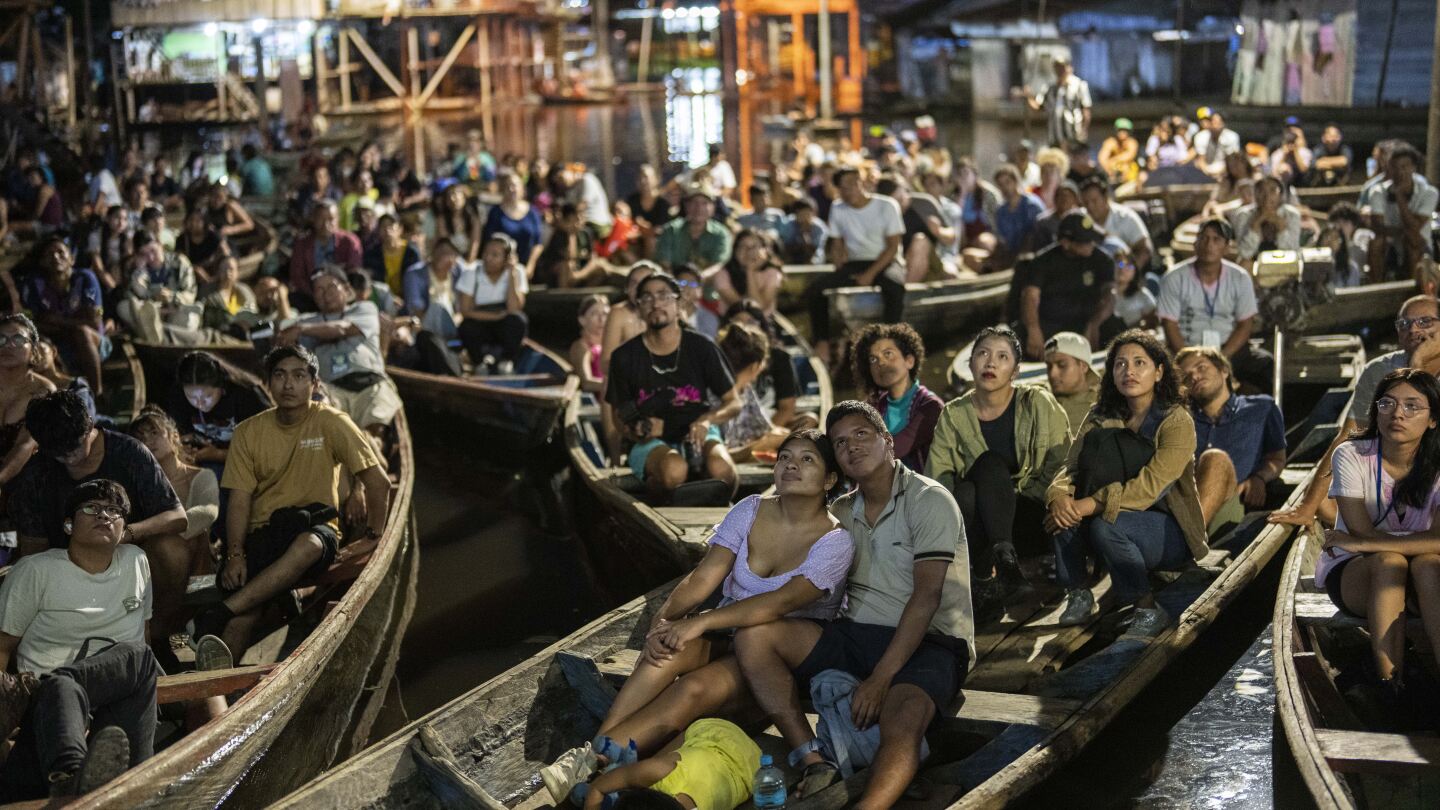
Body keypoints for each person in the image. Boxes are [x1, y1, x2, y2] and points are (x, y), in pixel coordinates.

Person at [538, 428, 850, 802]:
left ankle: (603, 761)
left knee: (693, 688)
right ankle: (593, 756)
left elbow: (779, 604)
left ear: (830, 479)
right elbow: (704, 576)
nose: (790, 465)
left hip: (777, 656)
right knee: (666, 648)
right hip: (727, 633)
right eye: (784, 457)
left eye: (807, 459)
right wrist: (665, 620)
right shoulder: (750, 509)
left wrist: (698, 622)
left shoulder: (836, 541)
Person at [732, 401, 972, 806]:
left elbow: (926, 597)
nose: (851, 447)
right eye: (840, 442)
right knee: (755, 636)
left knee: (904, 719)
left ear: (888, 441)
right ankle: (812, 759)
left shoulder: (929, 500)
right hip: (854, 636)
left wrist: (879, 680)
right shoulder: (840, 512)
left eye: (861, 434)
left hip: (929, 643)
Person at [192, 345, 390, 662]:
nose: (288, 385)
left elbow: (379, 483)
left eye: (299, 376)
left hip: (317, 528)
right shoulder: (248, 432)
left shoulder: (331, 422)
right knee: (246, 611)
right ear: (268, 383)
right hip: (265, 532)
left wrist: (373, 538)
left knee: (309, 543)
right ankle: (212, 690)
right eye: (280, 376)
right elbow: (239, 501)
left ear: (313, 384)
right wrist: (235, 555)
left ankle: (218, 611)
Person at [0, 480, 161, 801]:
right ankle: (72, 778)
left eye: (114, 511)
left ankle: (80, 781)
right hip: (49, 702)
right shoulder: (36, 571)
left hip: (120, 696)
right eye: (92, 508)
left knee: (141, 657)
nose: (104, 516)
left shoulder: (136, 562)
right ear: (68, 524)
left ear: (125, 526)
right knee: (60, 686)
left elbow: (142, 636)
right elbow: (2, 647)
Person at [1047, 330, 1208, 634]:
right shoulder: (1100, 415)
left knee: (1102, 523)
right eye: (1120, 364)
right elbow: (1071, 466)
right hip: (1109, 515)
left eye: (1139, 363)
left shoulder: (1175, 420)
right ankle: (1078, 592)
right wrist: (1059, 496)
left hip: (1166, 528)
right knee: (1064, 510)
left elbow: (1151, 486)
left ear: (1159, 372)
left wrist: (1088, 504)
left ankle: (1146, 608)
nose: (1129, 371)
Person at [7, 391, 190, 658]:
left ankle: (159, 635)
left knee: (172, 549)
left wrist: (125, 534)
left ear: (89, 425)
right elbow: (33, 549)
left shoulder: (129, 452)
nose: (70, 458)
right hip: (67, 565)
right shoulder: (37, 474)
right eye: (60, 453)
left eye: (75, 447)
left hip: (127, 560)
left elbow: (177, 517)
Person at [1314, 369, 1440, 706]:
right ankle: (1389, 685)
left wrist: (1368, 542)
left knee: (1428, 564)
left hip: (1421, 577)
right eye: (1388, 404)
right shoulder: (1352, 454)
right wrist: (1367, 544)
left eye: (1413, 406)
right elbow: (1359, 532)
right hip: (1357, 573)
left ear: (1433, 420)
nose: (1398, 414)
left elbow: (1437, 541)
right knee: (1389, 561)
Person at [928, 325, 1070, 615]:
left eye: (1002, 357)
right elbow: (938, 478)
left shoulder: (1038, 403)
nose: (990, 363)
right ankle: (999, 571)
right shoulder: (953, 414)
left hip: (1034, 514)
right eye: (982, 354)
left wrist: (1007, 496)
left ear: (1015, 371)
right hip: (977, 525)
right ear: (970, 364)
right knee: (968, 487)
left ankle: (990, 573)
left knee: (989, 471)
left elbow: (1063, 464)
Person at [1272, 295, 1440, 529]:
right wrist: (1307, 508)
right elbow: (1348, 437)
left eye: (1425, 321)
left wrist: (1418, 363)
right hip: (1390, 474)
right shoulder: (1379, 370)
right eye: (1404, 324)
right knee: (1324, 503)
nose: (1413, 329)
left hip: (1432, 475)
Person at [605, 272, 741, 497]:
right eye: (647, 298)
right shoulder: (624, 357)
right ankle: (656, 496)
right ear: (639, 308)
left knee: (722, 470)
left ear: (678, 304)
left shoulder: (701, 347)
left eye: (663, 296)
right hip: (651, 442)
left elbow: (734, 402)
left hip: (697, 433)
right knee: (674, 470)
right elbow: (617, 416)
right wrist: (637, 430)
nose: (656, 303)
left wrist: (707, 420)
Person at [279, 267, 401, 436]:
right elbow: (283, 332)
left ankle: (373, 445)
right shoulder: (305, 320)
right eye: (319, 290)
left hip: (370, 385)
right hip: (331, 387)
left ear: (346, 288)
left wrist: (302, 330)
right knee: (317, 406)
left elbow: (342, 328)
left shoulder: (364, 309)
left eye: (331, 287)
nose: (325, 294)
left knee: (377, 423)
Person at [1176, 346, 1285, 534]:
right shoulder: (1180, 420)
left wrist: (1259, 477)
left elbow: (1277, 458)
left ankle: (1186, 540)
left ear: (1224, 370)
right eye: (1187, 377)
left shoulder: (1261, 408)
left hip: (1228, 506)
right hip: (1180, 504)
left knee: (1215, 460)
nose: (1194, 376)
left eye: (1201, 367)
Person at [1157, 218, 1272, 392]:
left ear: (1226, 247)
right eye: (1203, 238)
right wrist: (1191, 359)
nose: (1209, 244)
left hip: (1228, 349)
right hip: (1186, 349)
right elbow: (1169, 325)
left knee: (1265, 364)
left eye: (1216, 239)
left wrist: (1222, 357)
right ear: (1195, 244)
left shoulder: (1240, 278)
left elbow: (1245, 324)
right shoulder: (1173, 278)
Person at [806, 167, 905, 362]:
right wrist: (839, 268)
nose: (849, 190)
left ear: (862, 182)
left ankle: (892, 341)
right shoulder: (838, 208)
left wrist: (870, 274)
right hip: (855, 262)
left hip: (886, 261)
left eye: (853, 183)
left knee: (894, 287)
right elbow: (836, 243)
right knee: (815, 289)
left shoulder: (887, 205)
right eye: (843, 187)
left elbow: (893, 247)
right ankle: (822, 342)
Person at [1017, 211, 1116, 359]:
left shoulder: (1102, 260)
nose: (1091, 245)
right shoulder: (1042, 262)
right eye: (1084, 241)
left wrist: (1095, 323)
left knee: (1116, 326)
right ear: (1065, 242)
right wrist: (1033, 329)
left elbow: (1110, 294)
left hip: (1088, 322)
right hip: (1051, 324)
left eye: (1091, 239)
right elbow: (1030, 296)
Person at [0, 315, 57, 566]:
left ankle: (21, 560)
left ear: (33, 350)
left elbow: (26, 444)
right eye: (1, 339)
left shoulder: (43, 390)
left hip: (24, 474)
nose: (7, 345)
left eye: (17, 339)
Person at [851, 323, 943, 473]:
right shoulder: (871, 406)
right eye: (873, 359)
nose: (881, 363)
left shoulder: (931, 406)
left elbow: (896, 450)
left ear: (909, 361)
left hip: (920, 489)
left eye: (888, 354)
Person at [23, 238, 107, 395]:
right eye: (50, 254)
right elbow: (33, 324)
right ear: (42, 262)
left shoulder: (86, 278)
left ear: (72, 259)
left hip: (95, 342)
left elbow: (94, 324)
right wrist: (67, 324)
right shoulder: (35, 285)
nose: (55, 257)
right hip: (57, 341)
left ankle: (97, 393)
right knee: (38, 344)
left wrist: (56, 321)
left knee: (82, 332)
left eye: (61, 252)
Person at [129, 407, 218, 550]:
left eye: (154, 433)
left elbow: (207, 512)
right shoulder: (138, 483)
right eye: (141, 438)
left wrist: (149, 530)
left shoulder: (201, 476)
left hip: (193, 558)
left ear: (175, 436)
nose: (148, 441)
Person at [723, 300, 815, 431]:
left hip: (771, 420)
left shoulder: (778, 357)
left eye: (751, 322)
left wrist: (769, 433)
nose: (744, 326)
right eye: (737, 321)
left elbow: (787, 407)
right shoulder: (720, 355)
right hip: (733, 421)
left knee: (808, 419)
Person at [1362, 144, 1438, 282]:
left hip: (1419, 246)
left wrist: (1400, 197)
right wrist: (1401, 233)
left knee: (1413, 241)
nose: (1399, 172)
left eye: (1404, 166)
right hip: (1390, 243)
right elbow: (1377, 226)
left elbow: (1415, 227)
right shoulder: (1377, 191)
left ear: (1413, 168)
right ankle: (1377, 289)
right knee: (1376, 242)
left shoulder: (1429, 193)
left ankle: (1416, 288)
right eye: (1395, 167)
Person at [456, 234, 530, 374]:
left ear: (506, 258)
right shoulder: (471, 273)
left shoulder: (517, 271)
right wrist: (495, 317)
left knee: (518, 321)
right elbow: (465, 311)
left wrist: (511, 274)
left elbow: (514, 308)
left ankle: (506, 361)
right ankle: (478, 363)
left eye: (495, 255)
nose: (488, 258)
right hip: (480, 320)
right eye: (486, 253)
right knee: (467, 327)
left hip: (504, 321)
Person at [122, 232, 199, 342]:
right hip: (154, 314)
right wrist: (139, 272)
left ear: (160, 246)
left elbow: (190, 294)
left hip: (176, 311)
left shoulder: (180, 262)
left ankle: (162, 339)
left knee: (189, 317)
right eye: (144, 254)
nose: (151, 257)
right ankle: (154, 336)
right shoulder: (138, 269)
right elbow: (134, 296)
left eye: (153, 251)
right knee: (123, 307)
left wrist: (172, 297)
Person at [289, 202, 364, 308]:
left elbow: (353, 271)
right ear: (313, 219)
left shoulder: (350, 241)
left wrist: (336, 293)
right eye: (321, 219)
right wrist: (318, 294)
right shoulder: (302, 244)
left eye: (331, 219)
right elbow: (297, 276)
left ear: (338, 219)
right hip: (312, 297)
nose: (326, 224)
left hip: (343, 296)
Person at [1078, 177, 1152, 273]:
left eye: (1094, 201)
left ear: (1105, 198)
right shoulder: (1080, 218)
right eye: (1086, 203)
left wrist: (1130, 272)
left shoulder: (1125, 217)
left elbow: (1145, 250)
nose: (1090, 206)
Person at [655, 186, 732, 273]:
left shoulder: (721, 233)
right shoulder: (671, 230)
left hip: (708, 283)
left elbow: (719, 265)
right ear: (686, 205)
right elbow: (664, 263)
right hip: (674, 282)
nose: (699, 208)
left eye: (705, 203)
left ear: (713, 208)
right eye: (694, 202)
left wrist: (697, 281)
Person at [712, 228, 783, 315]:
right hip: (731, 322)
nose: (749, 252)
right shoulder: (723, 274)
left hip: (763, 323)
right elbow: (746, 309)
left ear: (765, 250)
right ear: (735, 251)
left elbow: (761, 306)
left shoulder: (773, 273)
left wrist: (750, 271)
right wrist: (750, 271)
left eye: (754, 247)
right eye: (743, 246)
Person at [483, 172, 545, 271]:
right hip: (500, 269)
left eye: (515, 185)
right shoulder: (495, 212)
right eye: (508, 186)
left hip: (526, 268)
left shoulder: (533, 212)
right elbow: (490, 241)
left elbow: (538, 243)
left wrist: (530, 265)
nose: (512, 189)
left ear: (522, 188)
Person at [1232, 176, 1302, 263]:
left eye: (1272, 190)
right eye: (1261, 191)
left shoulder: (1292, 214)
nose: (1267, 195)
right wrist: (1255, 225)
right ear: (1255, 195)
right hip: (1255, 262)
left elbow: (1292, 251)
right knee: (1244, 262)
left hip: (1284, 262)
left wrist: (1281, 227)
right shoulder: (1243, 215)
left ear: (1280, 194)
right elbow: (1245, 252)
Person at [1043, 331, 1100, 437]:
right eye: (1049, 366)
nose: (1052, 374)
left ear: (1083, 366)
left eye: (1062, 365)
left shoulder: (1104, 405)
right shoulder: (1038, 400)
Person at [1028, 55, 1092, 148]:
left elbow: (1086, 110)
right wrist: (1028, 96)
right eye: (1057, 67)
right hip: (1055, 136)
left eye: (1062, 67)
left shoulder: (1079, 85)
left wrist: (1084, 130)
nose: (1060, 70)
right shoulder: (1049, 88)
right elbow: (1038, 106)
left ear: (1069, 68)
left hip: (1074, 134)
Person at [991, 164, 1046, 269]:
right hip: (1011, 254)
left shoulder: (1031, 205)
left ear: (1016, 181)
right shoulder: (1001, 212)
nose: (1005, 188)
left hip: (1032, 255)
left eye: (1007, 182)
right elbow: (1003, 241)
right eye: (1000, 184)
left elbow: (1035, 236)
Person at [200, 255, 257, 333]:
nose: (227, 272)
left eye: (231, 269)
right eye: (223, 269)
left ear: (237, 272)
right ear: (218, 272)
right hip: (217, 334)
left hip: (243, 334)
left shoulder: (245, 292)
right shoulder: (208, 294)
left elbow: (253, 315)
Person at [570, 295, 610, 396]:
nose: (601, 319)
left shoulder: (610, 344)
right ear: (582, 320)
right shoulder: (581, 347)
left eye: (605, 314)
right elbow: (586, 383)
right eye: (594, 314)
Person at [1113, 248, 1156, 328]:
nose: (1123, 269)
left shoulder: (1142, 294)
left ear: (1135, 271)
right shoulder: (1104, 293)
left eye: (1129, 266)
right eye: (1120, 264)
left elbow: (1155, 319)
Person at [1191, 110, 1241, 177]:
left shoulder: (1232, 136)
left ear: (1223, 123)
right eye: (1214, 122)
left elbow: (1232, 159)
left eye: (1219, 122)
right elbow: (1201, 159)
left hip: (1226, 169)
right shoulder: (1200, 137)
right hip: (1206, 169)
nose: (1216, 125)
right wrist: (1207, 172)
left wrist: (1221, 172)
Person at [780, 196, 828, 265]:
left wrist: (805, 234)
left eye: (807, 213)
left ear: (813, 213)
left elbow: (817, 249)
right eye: (801, 213)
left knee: (814, 260)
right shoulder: (788, 224)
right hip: (792, 255)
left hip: (815, 257)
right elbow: (786, 246)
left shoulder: (820, 227)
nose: (804, 217)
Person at [1098, 118, 1140, 185]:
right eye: (1120, 130)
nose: (1122, 133)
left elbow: (1129, 155)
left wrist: (1113, 160)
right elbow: (1102, 158)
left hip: (1129, 174)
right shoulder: (1110, 142)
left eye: (1125, 130)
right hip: (1112, 173)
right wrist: (1109, 170)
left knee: (1127, 166)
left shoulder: (1132, 143)